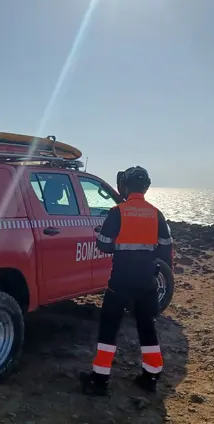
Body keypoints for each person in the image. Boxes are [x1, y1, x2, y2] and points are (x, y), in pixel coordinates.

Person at [79, 166, 174, 396]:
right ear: (146, 187)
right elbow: (165, 249)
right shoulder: (156, 214)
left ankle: (100, 380)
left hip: (120, 281)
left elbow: (103, 244)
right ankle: (151, 377)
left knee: (109, 328)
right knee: (146, 327)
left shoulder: (117, 212)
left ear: (126, 186)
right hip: (146, 282)